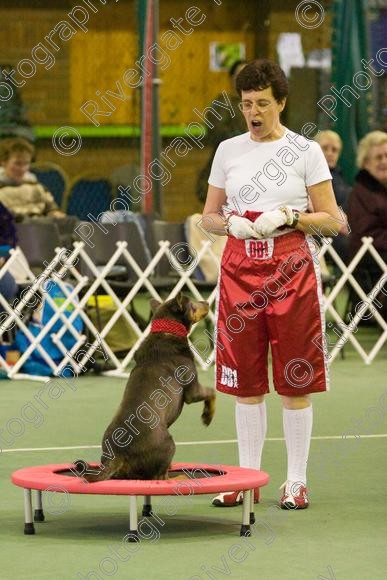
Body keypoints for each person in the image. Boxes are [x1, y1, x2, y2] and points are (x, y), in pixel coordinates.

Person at [201, 59, 347, 509]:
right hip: (240, 270)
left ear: (281, 102)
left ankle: (296, 481)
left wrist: (290, 217)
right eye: (247, 104)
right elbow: (208, 215)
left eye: (263, 103)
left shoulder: (305, 150)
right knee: (244, 382)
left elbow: (335, 221)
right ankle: (248, 479)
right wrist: (229, 225)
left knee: (294, 381)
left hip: (291, 270)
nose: (254, 112)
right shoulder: (228, 150)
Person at [347, 130, 387, 315]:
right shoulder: (361, 192)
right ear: (365, 163)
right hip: (370, 258)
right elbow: (366, 233)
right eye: (378, 157)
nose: (384, 161)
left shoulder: (381, 188)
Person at [196, 60, 247, 203]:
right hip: (225, 168)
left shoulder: (257, 104)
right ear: (231, 78)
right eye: (239, 76)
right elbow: (216, 135)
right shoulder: (222, 104)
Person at [0, 138, 65, 220]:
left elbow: (51, 208)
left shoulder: (36, 186)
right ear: (3, 162)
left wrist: (55, 213)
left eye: (26, 163)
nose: (22, 169)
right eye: (17, 163)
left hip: (38, 227)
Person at [315, 130, 351, 264]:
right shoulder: (312, 175)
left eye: (334, 150)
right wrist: (339, 219)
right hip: (324, 231)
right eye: (325, 148)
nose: (330, 153)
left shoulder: (339, 176)